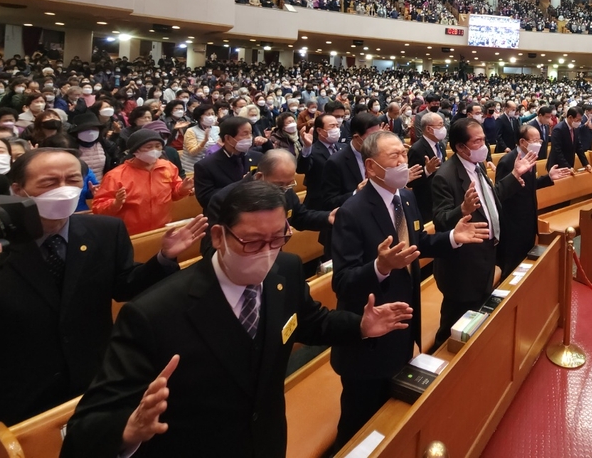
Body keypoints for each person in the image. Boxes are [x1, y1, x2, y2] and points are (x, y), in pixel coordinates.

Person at [59, 181, 412, 458]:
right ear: (218, 236)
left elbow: (311, 322)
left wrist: (361, 326)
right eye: (252, 242)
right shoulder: (153, 313)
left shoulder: (285, 270)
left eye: (278, 239)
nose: (268, 253)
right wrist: (128, 430)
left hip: (268, 442)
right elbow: (85, 428)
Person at [0, 148, 206, 431]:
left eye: (72, 179)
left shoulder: (105, 230)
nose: (63, 190)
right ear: (18, 189)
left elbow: (125, 286)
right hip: (17, 383)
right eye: (49, 182)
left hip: (92, 371)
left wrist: (163, 259)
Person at [330, 131, 487, 450]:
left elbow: (420, 244)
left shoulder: (406, 197)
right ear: (372, 167)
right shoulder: (353, 212)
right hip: (368, 339)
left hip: (404, 322)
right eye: (395, 158)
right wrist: (380, 267)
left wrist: (453, 237)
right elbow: (342, 281)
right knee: (360, 422)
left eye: (403, 155)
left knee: (394, 416)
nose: (403, 162)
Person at [430, 117, 536, 348]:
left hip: (485, 254)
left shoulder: (476, 166)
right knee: (453, 321)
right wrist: (463, 209)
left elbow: (492, 197)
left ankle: (471, 355)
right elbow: (440, 221)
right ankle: (439, 366)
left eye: (484, 140)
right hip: (462, 264)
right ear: (460, 147)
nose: (484, 146)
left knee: (476, 315)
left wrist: (516, 175)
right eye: (477, 141)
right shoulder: (445, 176)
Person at [495, 124, 572, 275]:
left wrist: (548, 177)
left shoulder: (530, 157)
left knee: (526, 257)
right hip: (512, 221)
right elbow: (500, 193)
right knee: (512, 262)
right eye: (535, 140)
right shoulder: (507, 161)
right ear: (523, 142)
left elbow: (531, 185)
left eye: (540, 140)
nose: (538, 144)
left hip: (529, 217)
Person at [90, 129, 195, 235]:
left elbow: (174, 194)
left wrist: (183, 189)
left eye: (158, 146)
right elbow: (98, 207)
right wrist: (115, 204)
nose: (154, 150)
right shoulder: (115, 176)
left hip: (161, 230)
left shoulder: (168, 167)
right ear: (136, 150)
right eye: (149, 147)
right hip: (130, 234)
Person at [207, 149, 330, 237]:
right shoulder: (224, 199)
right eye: (279, 184)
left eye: (289, 184)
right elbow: (212, 246)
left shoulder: (284, 189)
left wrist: (328, 217)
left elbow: (300, 217)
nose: (284, 189)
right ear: (260, 176)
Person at [310, 112, 383, 258]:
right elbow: (328, 202)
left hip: (373, 226)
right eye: (372, 137)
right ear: (357, 137)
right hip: (345, 233)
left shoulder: (378, 155)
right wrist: (356, 193)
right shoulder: (336, 162)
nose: (377, 141)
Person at [193, 116, 260, 209]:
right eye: (245, 134)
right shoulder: (205, 165)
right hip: (224, 216)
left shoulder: (258, 157)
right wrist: (241, 186)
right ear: (228, 138)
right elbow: (206, 200)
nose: (250, 138)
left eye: (250, 133)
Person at [295, 113, 343, 210]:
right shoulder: (312, 150)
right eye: (332, 126)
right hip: (319, 205)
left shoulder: (343, 147)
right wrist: (307, 147)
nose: (336, 129)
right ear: (319, 131)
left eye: (337, 126)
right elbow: (301, 169)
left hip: (341, 201)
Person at [406, 110, 446, 224]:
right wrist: (427, 171)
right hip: (426, 201)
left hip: (440, 196)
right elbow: (411, 182)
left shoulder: (441, 145)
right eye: (440, 125)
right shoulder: (417, 149)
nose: (443, 128)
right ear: (429, 129)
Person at [546, 107, 591, 173]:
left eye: (580, 120)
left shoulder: (575, 128)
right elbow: (557, 150)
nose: (579, 122)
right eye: (578, 120)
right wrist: (567, 166)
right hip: (557, 165)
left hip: (569, 163)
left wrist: (586, 163)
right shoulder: (558, 129)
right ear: (570, 117)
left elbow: (578, 147)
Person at [181, 103, 217, 176]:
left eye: (212, 114)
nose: (211, 116)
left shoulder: (217, 129)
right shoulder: (191, 131)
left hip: (211, 166)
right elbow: (192, 152)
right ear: (200, 117)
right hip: (192, 169)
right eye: (208, 114)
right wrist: (204, 141)